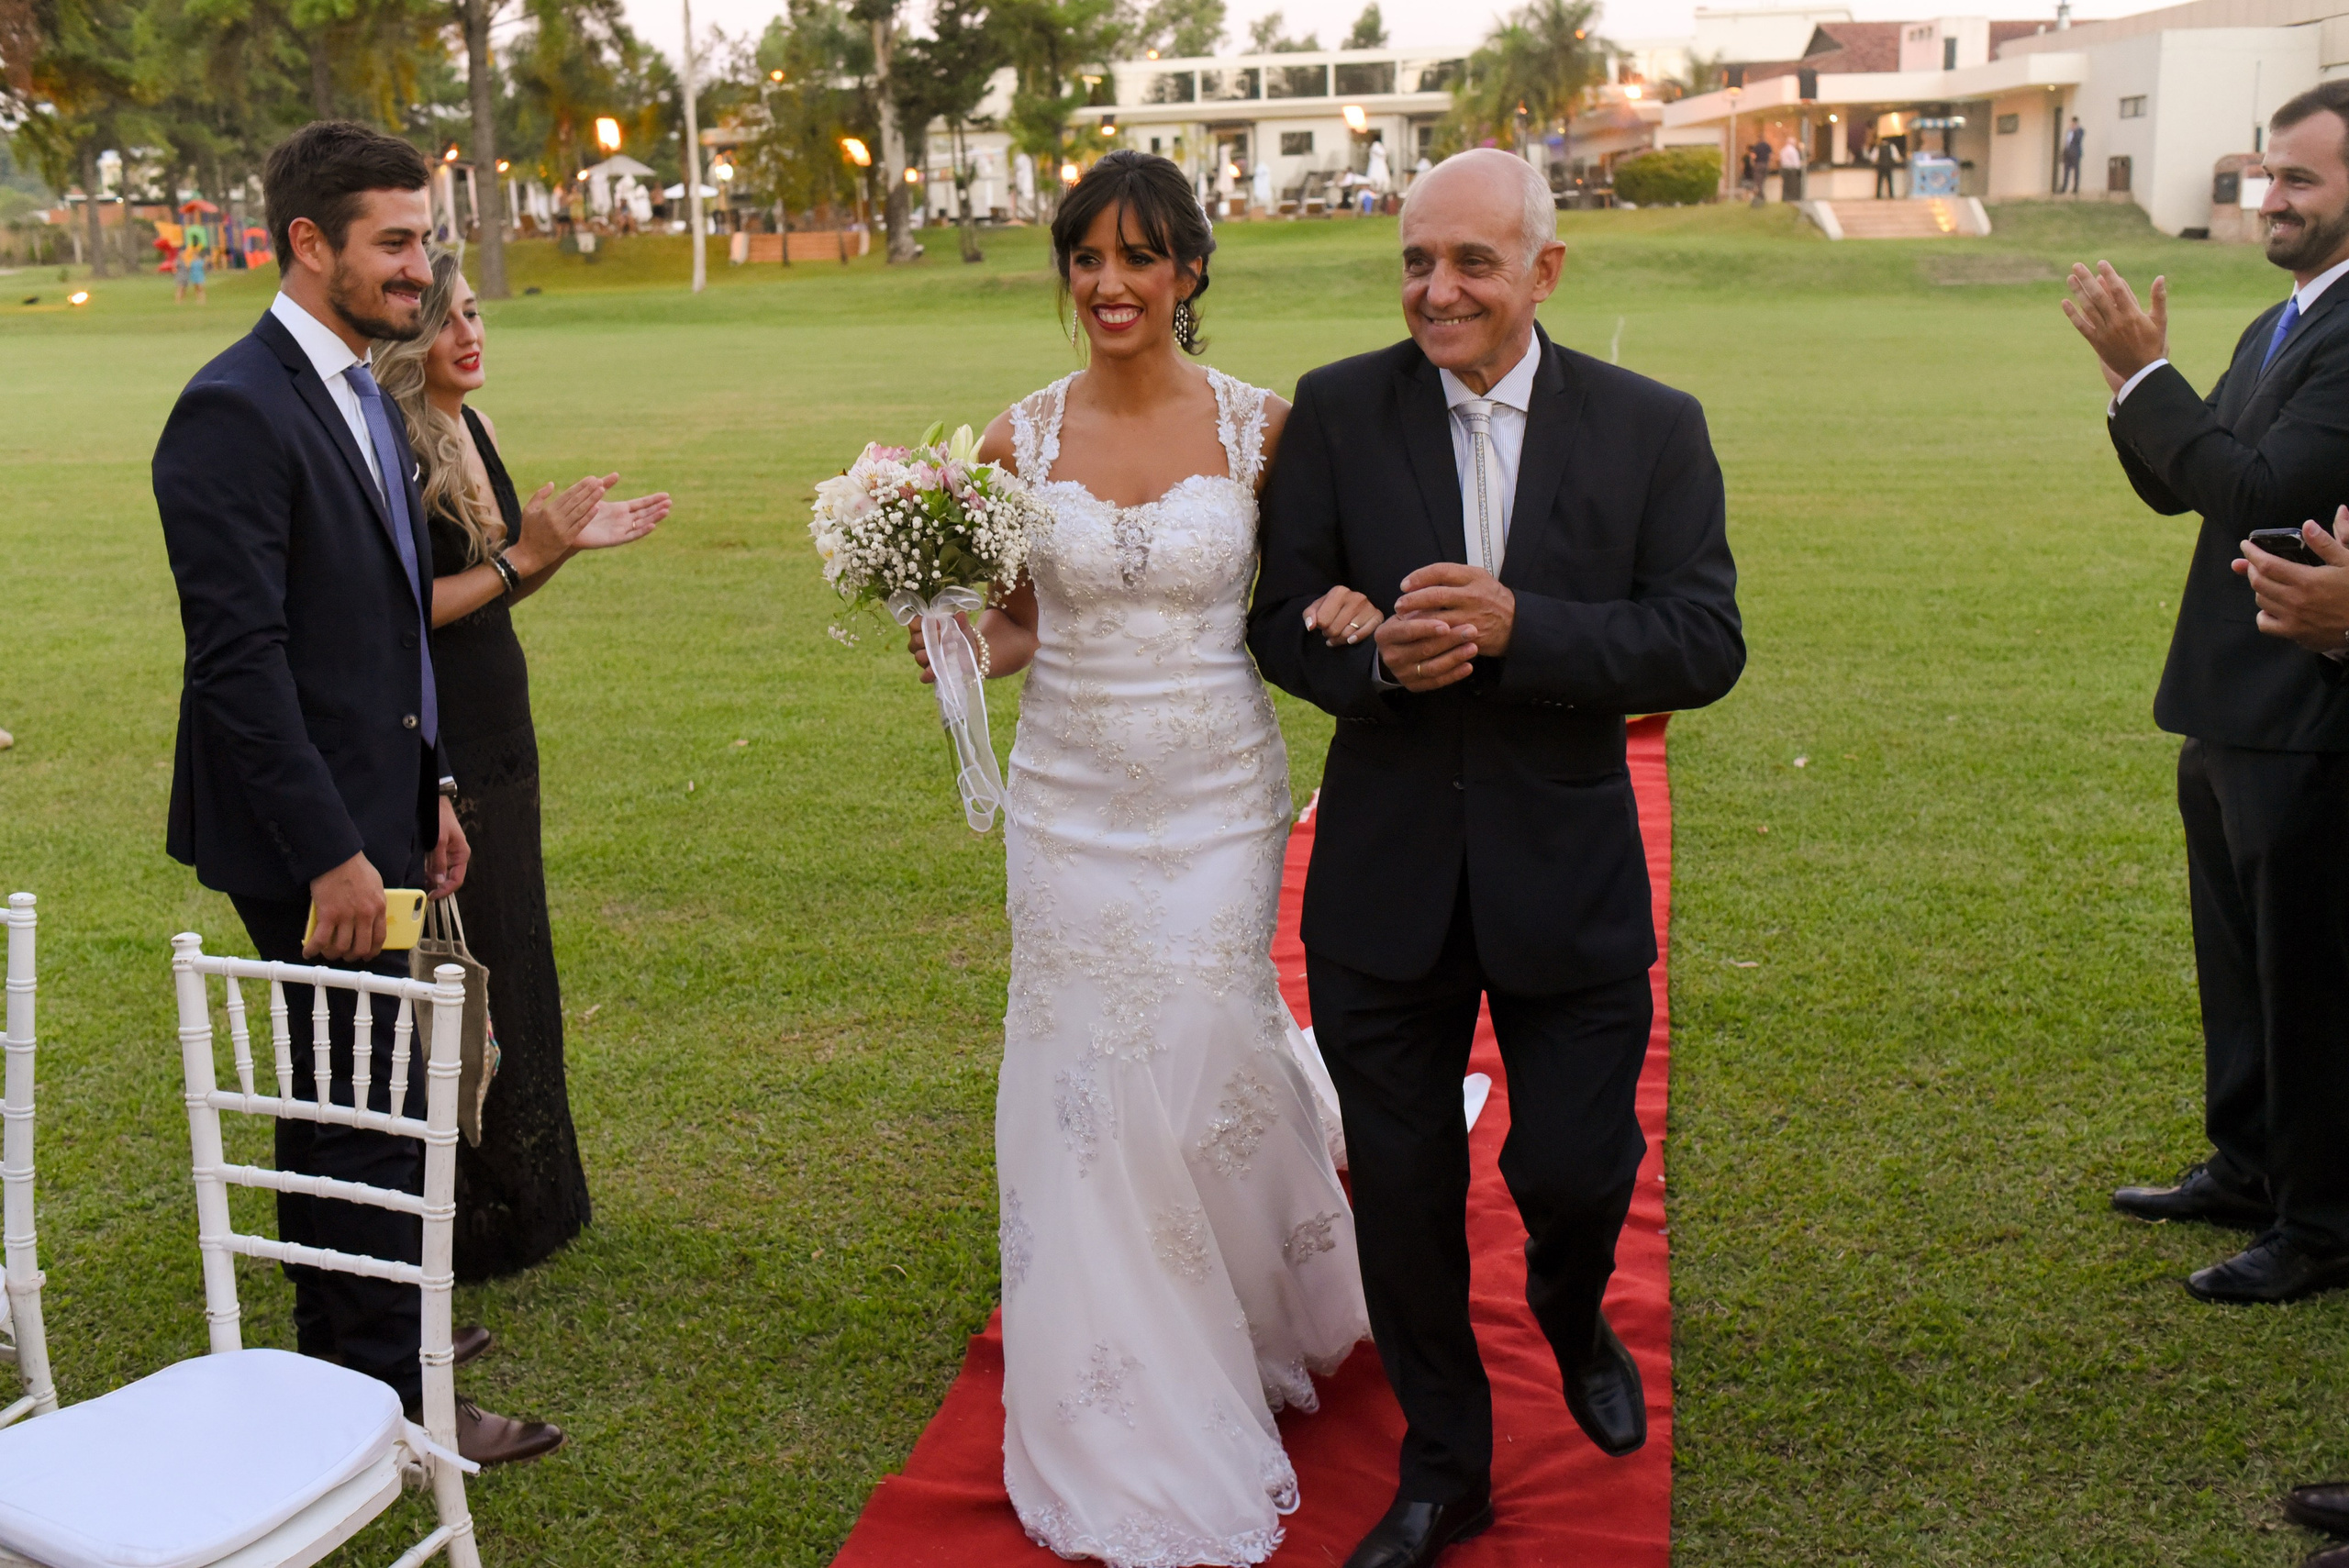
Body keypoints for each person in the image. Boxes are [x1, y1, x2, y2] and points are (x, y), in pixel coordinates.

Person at [1249, 148, 1743, 1568]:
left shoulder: (1653, 426)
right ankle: (1444, 1467)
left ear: (1544, 268)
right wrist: (1373, 660)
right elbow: (1281, 618)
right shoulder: (1338, 411)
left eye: (1471, 261)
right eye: (1416, 260)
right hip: (1383, 889)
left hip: (1568, 875)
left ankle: (1575, 1306)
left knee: (1579, 1168)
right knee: (1400, 1198)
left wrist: (1528, 627)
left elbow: (1704, 641)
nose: (1438, 288)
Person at [902, 149, 1371, 1565]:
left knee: (1203, 1033)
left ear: (1190, 271)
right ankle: (1131, 1381)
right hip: (1069, 803)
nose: (1108, 284)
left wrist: (1350, 600)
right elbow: (1016, 625)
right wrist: (930, 627)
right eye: (1085, 258)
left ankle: (1258, 1292)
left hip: (1218, 794)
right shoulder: (1014, 440)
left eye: (1137, 258)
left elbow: (1299, 595)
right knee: (1088, 1074)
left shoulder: (1267, 427)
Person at [152, 119, 562, 1466]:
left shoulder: (363, 394)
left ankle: (340, 1362)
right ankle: (401, 1402)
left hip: (382, 809)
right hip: (303, 842)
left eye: (425, 237)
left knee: (354, 1100)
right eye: (393, 241)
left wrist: (428, 786)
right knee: (372, 1114)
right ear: (310, 242)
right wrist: (335, 853)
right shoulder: (233, 406)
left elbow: (386, 626)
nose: (419, 267)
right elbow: (241, 665)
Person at [2063, 78, 2349, 1309]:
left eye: (2300, 179)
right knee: (2235, 960)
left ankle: (2323, 1219)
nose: (2268, 197)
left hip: (2309, 708)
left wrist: (2147, 377)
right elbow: (2186, 485)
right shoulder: (2282, 320)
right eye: (2263, 173)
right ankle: (2246, 1162)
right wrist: (2135, 392)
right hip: (2226, 698)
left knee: (2310, 976)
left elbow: (2261, 489)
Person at [373, 252, 667, 1279]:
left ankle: (536, 1193)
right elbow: (405, 612)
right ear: (410, 339)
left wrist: (555, 552)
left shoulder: (475, 430)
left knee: (515, 952)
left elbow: (497, 591)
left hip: (505, 717)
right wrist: (520, 556)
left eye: (475, 311)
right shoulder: (393, 441)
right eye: (449, 317)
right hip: (438, 729)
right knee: (460, 958)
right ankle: (468, 1212)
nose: (471, 331)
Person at [2059, 116, 2085, 195]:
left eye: (2073, 123)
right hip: (2067, 154)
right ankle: (2064, 187)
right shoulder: (2069, 131)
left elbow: (2078, 140)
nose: (2072, 124)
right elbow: (2067, 143)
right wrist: (2063, 153)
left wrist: (2075, 130)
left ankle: (2075, 188)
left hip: (2075, 154)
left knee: (2076, 171)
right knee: (2066, 171)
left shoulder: (2080, 131)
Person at [1874, 134, 1902, 199]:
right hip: (1889, 166)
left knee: (1879, 182)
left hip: (1880, 166)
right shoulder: (1892, 147)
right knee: (1890, 181)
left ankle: (1878, 195)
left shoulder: (1878, 147)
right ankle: (1891, 195)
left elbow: (1873, 157)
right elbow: (1896, 157)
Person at [1778, 135, 1805, 202]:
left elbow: (1781, 160)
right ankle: (1792, 198)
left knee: (1785, 185)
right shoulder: (1793, 150)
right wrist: (1799, 166)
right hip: (1791, 170)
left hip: (1784, 169)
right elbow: (1796, 162)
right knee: (1792, 185)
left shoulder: (1783, 150)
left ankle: (1785, 198)